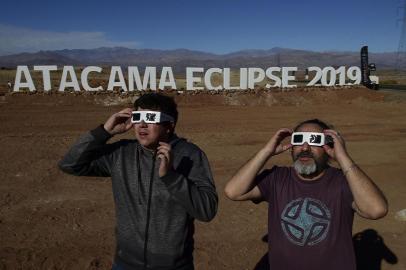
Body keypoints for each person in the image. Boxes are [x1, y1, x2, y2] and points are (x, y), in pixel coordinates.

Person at [59, 93, 218, 270]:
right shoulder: (121, 154)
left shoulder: (190, 155)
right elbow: (70, 164)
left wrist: (171, 177)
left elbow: (207, 210)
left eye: (150, 118)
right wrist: (103, 132)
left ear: (169, 125)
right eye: (137, 117)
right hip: (125, 263)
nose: (142, 125)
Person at [224, 119, 388, 270]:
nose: (305, 148)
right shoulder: (277, 178)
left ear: (328, 147)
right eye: (299, 140)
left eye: (314, 141)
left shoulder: (343, 181)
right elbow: (234, 191)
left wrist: (343, 157)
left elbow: (376, 210)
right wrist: (266, 152)